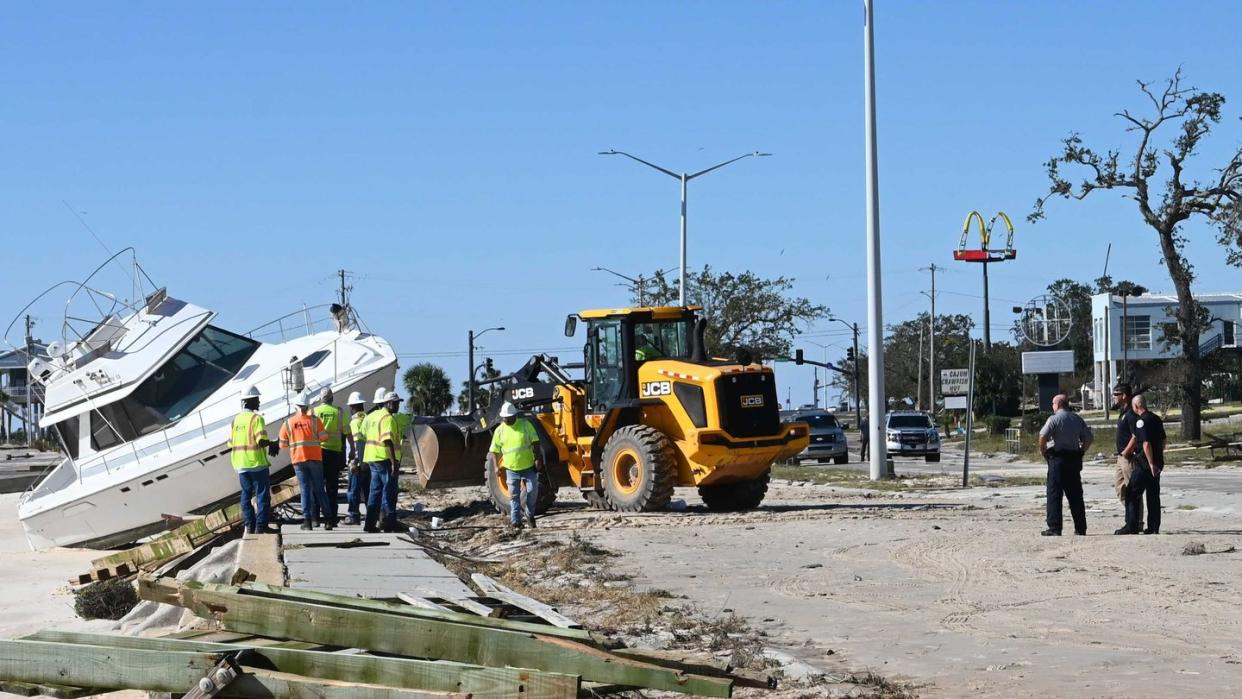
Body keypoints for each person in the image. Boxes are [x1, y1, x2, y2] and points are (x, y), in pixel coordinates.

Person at [1037, 394, 1093, 536]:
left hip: (1058, 459)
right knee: (1075, 495)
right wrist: (1081, 451)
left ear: (1058, 404)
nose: (1052, 406)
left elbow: (1043, 435)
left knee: (1054, 493)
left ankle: (1055, 527)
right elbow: (1088, 438)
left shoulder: (1054, 419)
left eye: (1053, 404)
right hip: (1073, 459)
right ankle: (1080, 528)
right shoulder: (1077, 418)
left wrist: (1043, 451)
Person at [228, 385, 279, 534]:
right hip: (257, 464)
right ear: (249, 401)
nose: (259, 402)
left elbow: (231, 443)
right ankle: (261, 527)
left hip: (241, 465)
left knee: (245, 495)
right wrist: (273, 442)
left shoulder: (235, 420)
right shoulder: (257, 419)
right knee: (262, 496)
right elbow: (261, 441)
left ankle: (249, 526)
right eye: (257, 399)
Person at [280, 390, 333, 530]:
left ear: (296, 406)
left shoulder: (288, 423)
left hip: (298, 460)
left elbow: (282, 444)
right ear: (307, 406)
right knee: (320, 490)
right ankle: (328, 520)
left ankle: (307, 522)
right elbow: (324, 437)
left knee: (305, 490)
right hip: (315, 459)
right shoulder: (315, 421)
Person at [489, 401, 544, 529]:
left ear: (514, 416)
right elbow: (493, 451)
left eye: (508, 418)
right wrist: (496, 467)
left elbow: (536, 442)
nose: (506, 420)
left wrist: (537, 459)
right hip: (511, 469)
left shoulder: (525, 425)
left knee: (532, 491)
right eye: (504, 418)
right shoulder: (499, 431)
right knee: (514, 496)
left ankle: (529, 514)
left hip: (529, 467)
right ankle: (516, 522)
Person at [1120, 394, 1166, 535]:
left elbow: (1145, 443)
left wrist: (1150, 463)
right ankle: (1153, 527)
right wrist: (1158, 457)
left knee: (1132, 493)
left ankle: (1132, 525)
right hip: (1157, 462)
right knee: (1153, 495)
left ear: (1136, 406)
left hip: (1145, 464)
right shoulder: (1156, 418)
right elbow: (1164, 440)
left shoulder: (1141, 421)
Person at [364, 389, 403, 533]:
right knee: (389, 492)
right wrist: (394, 463)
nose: (398, 406)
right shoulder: (388, 419)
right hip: (384, 459)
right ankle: (389, 523)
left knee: (375, 493)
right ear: (388, 403)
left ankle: (369, 524)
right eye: (396, 403)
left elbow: (363, 434)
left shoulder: (372, 416)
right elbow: (387, 441)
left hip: (372, 458)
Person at [313, 387, 349, 527]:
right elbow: (346, 432)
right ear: (332, 398)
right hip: (334, 452)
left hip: (317, 452)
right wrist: (347, 452)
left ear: (321, 399)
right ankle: (331, 519)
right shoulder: (339, 412)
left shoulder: (315, 412)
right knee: (332, 487)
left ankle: (315, 519)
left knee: (317, 486)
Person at [1110, 383, 1140, 515]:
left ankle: (1137, 521)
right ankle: (1130, 516)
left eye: (1116, 394)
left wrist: (1127, 451)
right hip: (1120, 458)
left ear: (1124, 396)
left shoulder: (1131, 414)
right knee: (1119, 488)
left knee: (1133, 489)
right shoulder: (1123, 412)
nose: (1114, 397)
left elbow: (1136, 435)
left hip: (1129, 457)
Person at [344, 390, 370, 525]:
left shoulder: (355, 422)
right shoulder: (368, 419)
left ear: (352, 407)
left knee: (353, 490)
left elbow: (357, 442)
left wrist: (355, 461)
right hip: (369, 460)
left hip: (358, 462)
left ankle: (354, 516)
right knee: (367, 490)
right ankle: (372, 515)